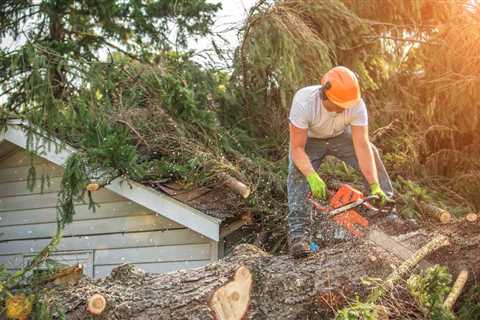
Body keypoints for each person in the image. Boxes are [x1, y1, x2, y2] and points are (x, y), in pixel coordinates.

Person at [287, 66, 394, 258]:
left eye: (346, 105)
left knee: (372, 152)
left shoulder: (356, 104)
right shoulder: (304, 102)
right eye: (339, 104)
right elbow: (296, 149)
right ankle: (299, 234)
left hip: (339, 136)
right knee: (297, 172)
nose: (343, 109)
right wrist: (311, 175)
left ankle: (386, 210)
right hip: (310, 140)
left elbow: (361, 145)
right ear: (324, 94)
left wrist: (374, 184)